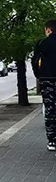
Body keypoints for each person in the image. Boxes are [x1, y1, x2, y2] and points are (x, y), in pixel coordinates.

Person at [32, 19, 56, 151]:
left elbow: (35, 61)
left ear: (48, 30)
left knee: (50, 109)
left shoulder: (42, 44)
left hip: (48, 80)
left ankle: (53, 141)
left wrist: (39, 76)